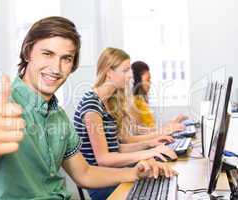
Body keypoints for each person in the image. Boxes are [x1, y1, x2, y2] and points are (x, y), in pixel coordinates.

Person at [0, 17, 176, 200]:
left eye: (66, 59)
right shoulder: (0, 105)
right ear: (28, 53)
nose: (56, 68)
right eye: (47, 54)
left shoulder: (58, 116)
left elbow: (84, 173)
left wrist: (135, 173)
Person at [74, 47, 177, 200]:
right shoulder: (92, 107)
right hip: (103, 183)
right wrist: (149, 152)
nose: (130, 75)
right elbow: (104, 159)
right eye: (125, 70)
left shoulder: (108, 102)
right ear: (109, 72)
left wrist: (150, 145)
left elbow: (117, 147)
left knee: (164, 179)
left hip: (115, 173)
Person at [129, 60, 188, 135]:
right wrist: (171, 125)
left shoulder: (141, 100)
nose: (150, 83)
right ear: (137, 81)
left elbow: (152, 128)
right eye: (148, 80)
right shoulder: (134, 103)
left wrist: (173, 123)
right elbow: (140, 132)